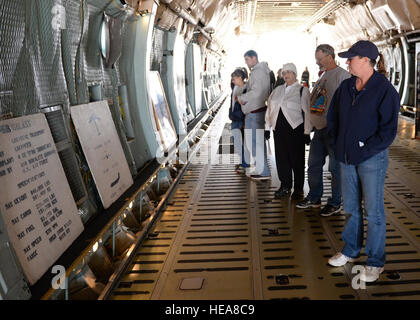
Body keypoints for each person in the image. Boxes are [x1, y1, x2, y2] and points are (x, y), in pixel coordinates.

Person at [327, 40, 400, 282]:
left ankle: (375, 261)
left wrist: (365, 149)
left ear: (367, 61)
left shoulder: (384, 90)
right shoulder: (347, 87)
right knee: (350, 208)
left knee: (373, 211)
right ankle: (350, 249)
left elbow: (388, 131)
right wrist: (337, 144)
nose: (347, 62)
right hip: (346, 158)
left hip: (371, 160)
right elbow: (333, 118)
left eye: (351, 58)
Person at [296, 44, 350, 217]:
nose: (317, 61)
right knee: (313, 164)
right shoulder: (324, 76)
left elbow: (347, 105)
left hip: (334, 130)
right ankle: (314, 197)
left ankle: (335, 202)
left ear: (330, 56)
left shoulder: (343, 76)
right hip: (319, 130)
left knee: (335, 169)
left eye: (319, 58)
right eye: (316, 58)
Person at [265, 63, 311, 199]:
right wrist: (267, 127)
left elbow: (307, 112)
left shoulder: (302, 90)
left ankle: (298, 189)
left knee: (297, 161)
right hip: (278, 130)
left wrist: (307, 132)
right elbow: (270, 109)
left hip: (295, 130)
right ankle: (285, 186)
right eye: (284, 73)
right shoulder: (277, 90)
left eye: (289, 72)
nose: (286, 75)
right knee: (282, 159)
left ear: (295, 74)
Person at [237, 50, 271, 181]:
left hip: (255, 111)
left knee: (255, 143)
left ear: (254, 58)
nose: (246, 62)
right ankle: (260, 168)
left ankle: (263, 172)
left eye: (247, 59)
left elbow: (256, 92)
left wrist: (242, 98)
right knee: (256, 142)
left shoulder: (258, 72)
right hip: (257, 110)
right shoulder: (262, 71)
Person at [229, 68, 250, 174]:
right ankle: (242, 162)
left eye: (234, 78)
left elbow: (247, 106)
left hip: (241, 119)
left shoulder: (246, 89)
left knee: (243, 143)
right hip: (235, 118)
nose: (232, 80)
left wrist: (246, 121)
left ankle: (245, 164)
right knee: (237, 143)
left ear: (240, 78)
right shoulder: (235, 88)